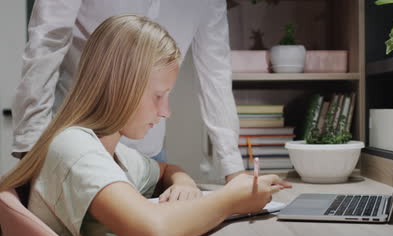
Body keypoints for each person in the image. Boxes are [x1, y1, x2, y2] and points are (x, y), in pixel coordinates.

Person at [0, 15, 291, 236]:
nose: (166, 112)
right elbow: (154, 235)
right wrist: (231, 200)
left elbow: (166, 170)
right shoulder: (75, 149)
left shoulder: (111, 152)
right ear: (120, 87)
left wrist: (184, 184)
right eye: (158, 96)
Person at [12, 0, 244, 185]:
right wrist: (30, 149)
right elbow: (47, 41)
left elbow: (216, 72)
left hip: (147, 153)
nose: (166, 112)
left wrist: (233, 172)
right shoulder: (81, 160)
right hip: (86, 142)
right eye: (159, 96)